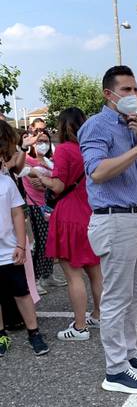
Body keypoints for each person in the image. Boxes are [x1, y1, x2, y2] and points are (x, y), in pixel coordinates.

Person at [79, 65, 137, 393]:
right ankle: (115, 370)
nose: (133, 96)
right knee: (115, 297)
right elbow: (97, 173)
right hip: (114, 218)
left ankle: (129, 353)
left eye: (135, 89)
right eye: (126, 90)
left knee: (136, 294)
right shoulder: (96, 126)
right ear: (108, 94)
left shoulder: (133, 128)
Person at [34, 108, 102, 341]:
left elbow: (59, 186)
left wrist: (42, 178)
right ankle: (98, 315)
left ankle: (80, 326)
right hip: (90, 213)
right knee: (95, 272)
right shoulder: (91, 149)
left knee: (73, 276)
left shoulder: (63, 149)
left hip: (69, 215)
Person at [0, 121, 50, 356]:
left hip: (9, 250)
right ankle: (1, 336)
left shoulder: (6, 182)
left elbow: (18, 214)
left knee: (22, 292)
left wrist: (21, 244)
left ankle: (34, 332)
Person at [22, 129, 61, 294]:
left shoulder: (49, 160)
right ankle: (36, 279)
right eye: (39, 141)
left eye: (46, 140)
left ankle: (48, 274)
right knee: (41, 242)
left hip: (51, 205)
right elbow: (37, 184)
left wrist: (49, 182)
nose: (43, 144)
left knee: (50, 241)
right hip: (35, 205)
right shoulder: (27, 160)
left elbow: (56, 182)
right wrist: (49, 182)